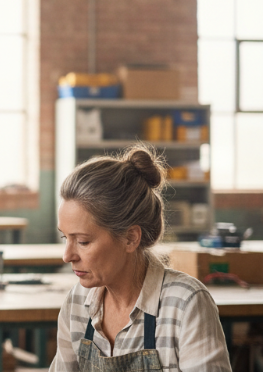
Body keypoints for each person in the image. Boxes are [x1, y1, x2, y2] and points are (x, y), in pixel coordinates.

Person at [50, 145, 232, 371]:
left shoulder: (186, 304)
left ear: (130, 238)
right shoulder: (78, 302)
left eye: (83, 241)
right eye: (65, 237)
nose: (67, 256)